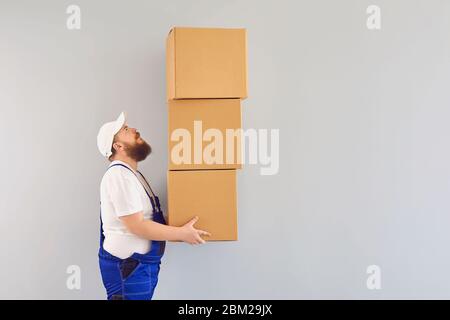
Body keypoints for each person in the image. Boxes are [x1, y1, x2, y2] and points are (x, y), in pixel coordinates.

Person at [96, 111, 211, 300]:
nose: (134, 129)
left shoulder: (131, 174)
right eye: (126, 129)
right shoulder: (119, 176)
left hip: (137, 268)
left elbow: (147, 218)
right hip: (128, 269)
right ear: (118, 145)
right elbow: (137, 225)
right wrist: (182, 233)